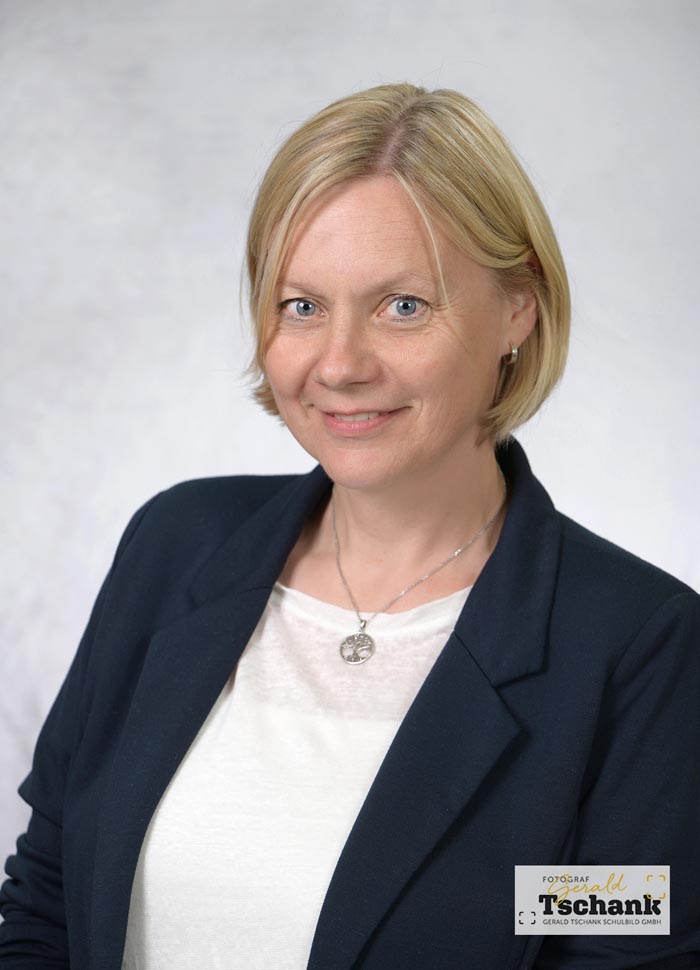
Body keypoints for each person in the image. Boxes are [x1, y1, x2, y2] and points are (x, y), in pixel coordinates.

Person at [1, 82, 698, 970]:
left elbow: (615, 946)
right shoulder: (175, 546)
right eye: (302, 306)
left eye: (402, 305)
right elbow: (48, 895)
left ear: (518, 307)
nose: (339, 365)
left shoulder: (637, 649)